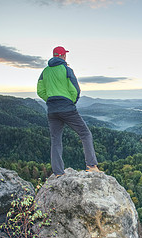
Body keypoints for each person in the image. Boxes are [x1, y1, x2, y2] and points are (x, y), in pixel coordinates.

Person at [37, 46, 101, 177]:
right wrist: (70, 102)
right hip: (67, 108)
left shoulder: (45, 71)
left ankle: (58, 172)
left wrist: (50, 100)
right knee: (85, 133)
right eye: (65, 54)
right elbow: (75, 90)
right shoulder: (66, 69)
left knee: (56, 140)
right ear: (63, 56)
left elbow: (40, 91)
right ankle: (91, 165)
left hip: (52, 110)